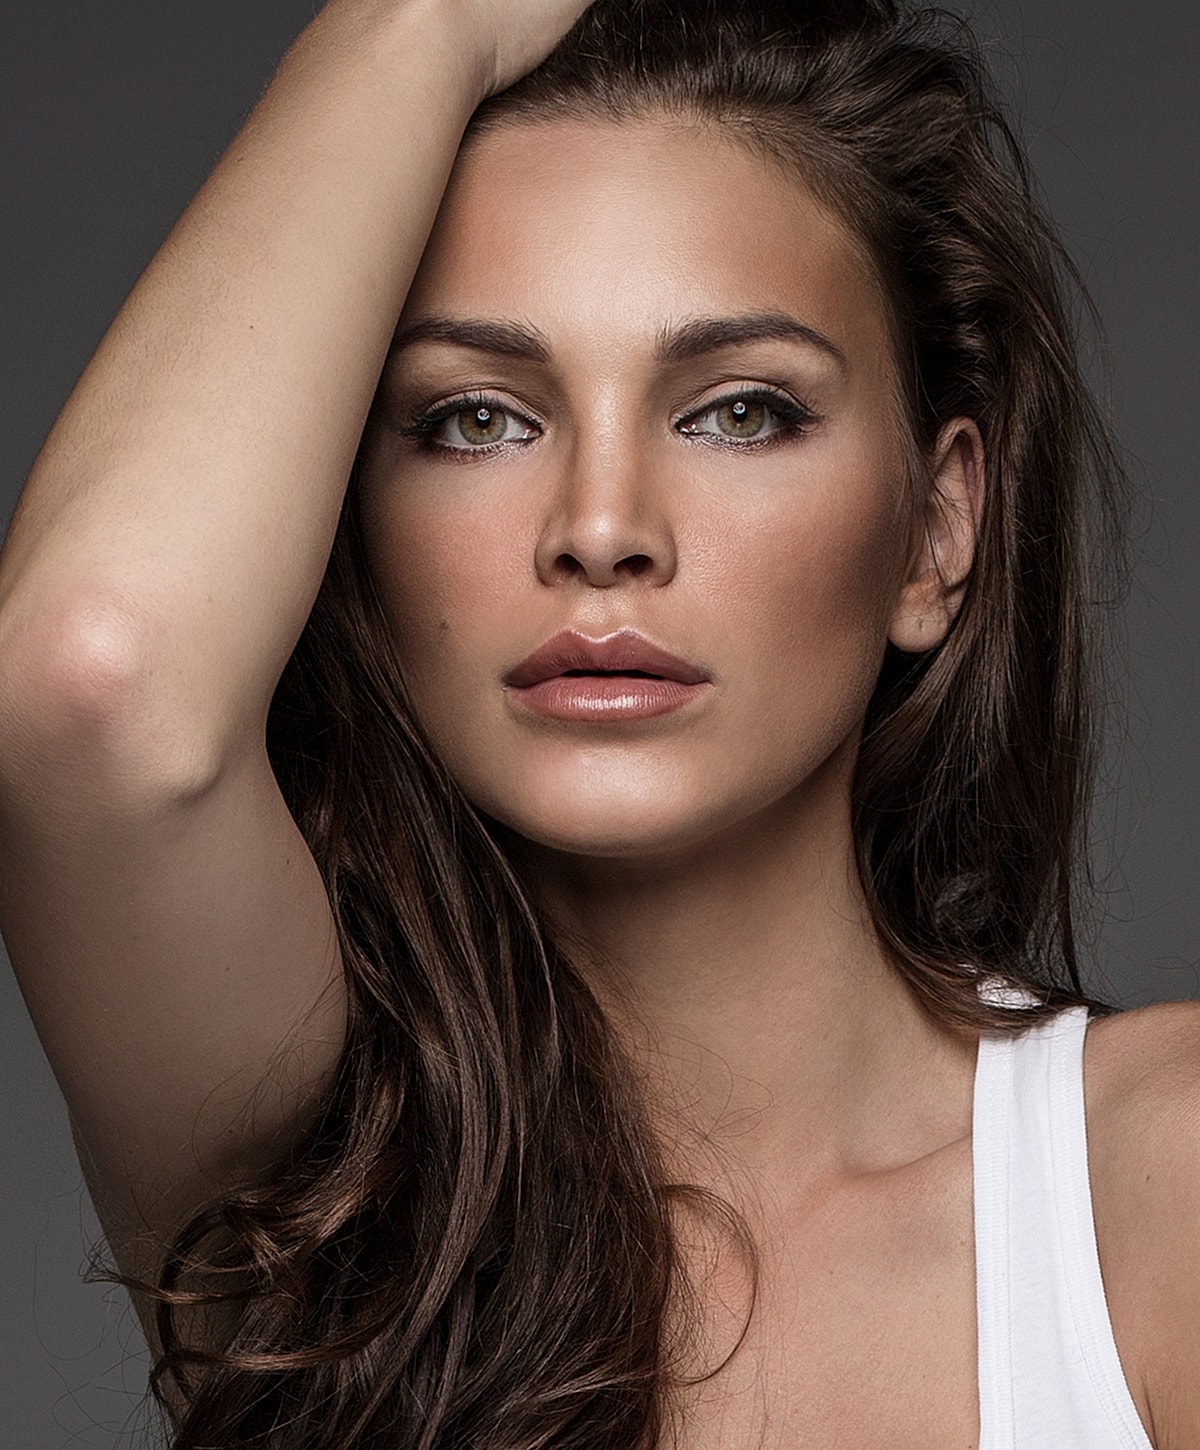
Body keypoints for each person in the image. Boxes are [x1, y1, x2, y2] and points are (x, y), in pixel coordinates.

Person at [0, 0, 1197, 1445]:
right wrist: (427, 24)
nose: (602, 526)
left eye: (739, 412)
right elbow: (94, 686)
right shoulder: (319, 1188)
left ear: (935, 533)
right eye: (478, 419)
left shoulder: (1158, 1186)